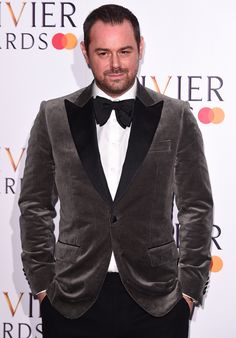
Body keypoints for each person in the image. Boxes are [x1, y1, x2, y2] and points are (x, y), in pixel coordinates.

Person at [19, 4, 213, 338]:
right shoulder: (52, 117)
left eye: (125, 51)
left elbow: (196, 206)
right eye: (103, 52)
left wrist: (189, 290)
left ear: (140, 47)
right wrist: (41, 284)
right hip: (70, 299)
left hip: (159, 301)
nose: (115, 64)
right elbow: (35, 204)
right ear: (84, 52)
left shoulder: (176, 116)